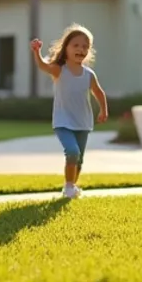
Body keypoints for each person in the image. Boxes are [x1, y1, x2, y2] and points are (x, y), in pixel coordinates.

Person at [31, 25, 109, 199]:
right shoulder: (60, 70)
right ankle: (68, 187)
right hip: (63, 121)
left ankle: (72, 186)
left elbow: (99, 92)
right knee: (72, 151)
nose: (81, 49)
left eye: (85, 46)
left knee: (79, 159)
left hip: (83, 122)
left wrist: (103, 110)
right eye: (76, 45)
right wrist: (37, 51)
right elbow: (43, 65)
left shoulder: (89, 74)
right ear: (66, 48)